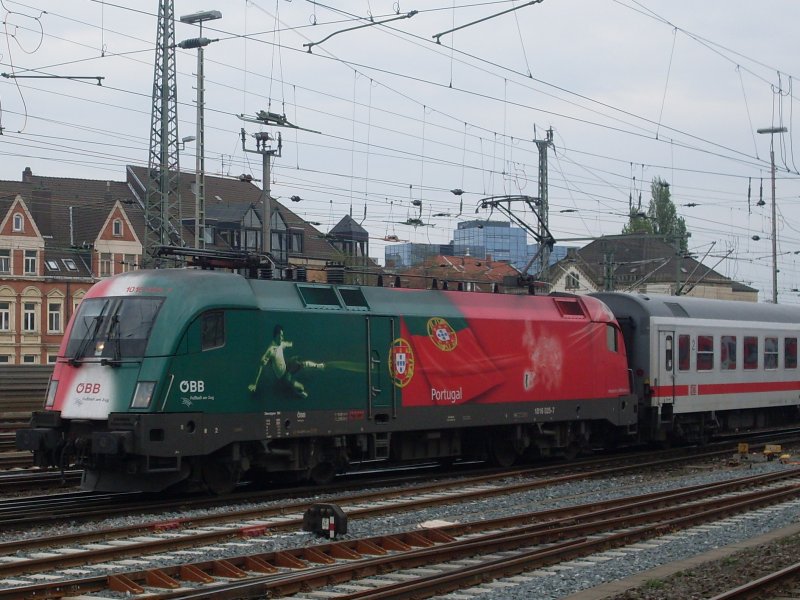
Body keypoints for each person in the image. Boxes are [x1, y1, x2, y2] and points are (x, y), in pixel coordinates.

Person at [248, 325, 324, 398]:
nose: (282, 337)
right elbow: (261, 366)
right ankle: (296, 392)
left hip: (286, 366)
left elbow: (290, 344)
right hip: (283, 376)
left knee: (300, 362)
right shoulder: (271, 350)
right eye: (281, 335)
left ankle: (318, 366)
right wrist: (255, 384)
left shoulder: (282, 344)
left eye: (282, 335)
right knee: (301, 387)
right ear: (276, 336)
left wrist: (300, 341)